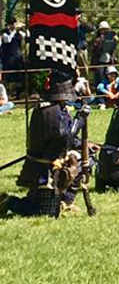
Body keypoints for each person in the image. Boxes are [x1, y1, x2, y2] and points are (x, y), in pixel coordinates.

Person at [1, 78, 91, 217]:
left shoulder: (59, 108)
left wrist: (83, 144)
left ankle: (65, 201)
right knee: (45, 212)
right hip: (44, 167)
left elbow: (68, 138)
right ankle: (10, 202)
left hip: (56, 160)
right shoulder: (50, 111)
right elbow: (65, 138)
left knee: (87, 159)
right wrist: (80, 120)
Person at [1, 17, 27, 97]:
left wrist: (24, 30)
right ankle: (7, 93)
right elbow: (7, 40)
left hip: (17, 57)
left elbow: (25, 37)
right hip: (8, 58)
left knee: (18, 76)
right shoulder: (4, 33)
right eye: (13, 24)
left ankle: (18, 93)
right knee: (8, 76)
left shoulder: (19, 33)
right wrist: (13, 32)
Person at [90, 21, 116, 86]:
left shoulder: (111, 39)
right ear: (100, 31)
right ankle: (100, 95)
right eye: (103, 29)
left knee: (109, 81)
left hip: (109, 63)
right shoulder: (97, 40)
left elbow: (113, 51)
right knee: (100, 81)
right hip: (99, 63)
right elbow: (96, 51)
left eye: (106, 29)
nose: (105, 31)